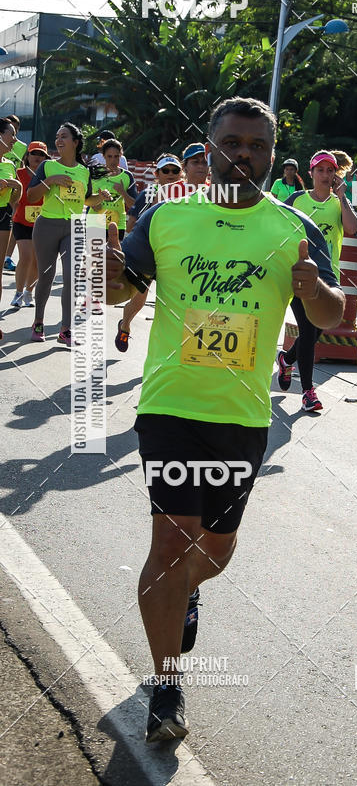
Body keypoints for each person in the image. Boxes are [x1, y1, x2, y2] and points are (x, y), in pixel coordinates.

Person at [105, 97, 344, 743]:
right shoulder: (165, 216)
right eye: (232, 142)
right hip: (171, 406)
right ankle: (166, 685)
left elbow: (331, 316)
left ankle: (187, 590)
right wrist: (106, 270)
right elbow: (118, 289)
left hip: (242, 416)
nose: (244, 154)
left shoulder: (293, 226)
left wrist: (314, 290)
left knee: (213, 552)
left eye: (257, 145)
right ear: (208, 149)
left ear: (271, 154)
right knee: (169, 542)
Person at [277, 150, 357, 412]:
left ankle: (287, 358)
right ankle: (308, 392)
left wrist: (342, 196)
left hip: (327, 277)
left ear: (336, 175)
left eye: (330, 171)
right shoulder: (296, 200)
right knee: (308, 327)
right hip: (299, 273)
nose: (325, 175)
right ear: (311, 173)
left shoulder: (339, 203)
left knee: (320, 327)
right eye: (320, 170)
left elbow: (352, 228)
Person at [27, 122, 108, 346]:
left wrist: (100, 197)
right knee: (46, 276)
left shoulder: (84, 171)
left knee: (72, 277)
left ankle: (66, 330)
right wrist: (50, 181)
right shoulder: (47, 166)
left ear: (75, 142)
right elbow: (31, 196)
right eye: (57, 136)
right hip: (46, 227)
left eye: (64, 136)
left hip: (73, 226)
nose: (59, 140)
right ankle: (39, 321)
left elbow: (87, 200)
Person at [115, 154, 187, 353]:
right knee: (139, 299)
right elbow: (130, 224)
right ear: (157, 174)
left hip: (175, 256)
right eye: (166, 171)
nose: (171, 175)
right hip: (147, 253)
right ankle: (125, 325)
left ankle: (162, 352)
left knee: (172, 305)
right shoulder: (149, 193)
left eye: (175, 171)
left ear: (181, 173)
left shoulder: (189, 196)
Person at [9, 141, 49, 308]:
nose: (37, 157)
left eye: (41, 155)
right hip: (21, 221)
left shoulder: (48, 176)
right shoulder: (18, 173)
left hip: (41, 223)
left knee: (36, 261)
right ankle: (18, 293)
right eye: (34, 153)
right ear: (27, 156)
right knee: (25, 256)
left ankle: (28, 292)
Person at [89, 138, 136, 241]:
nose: (113, 160)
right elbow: (84, 197)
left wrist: (122, 192)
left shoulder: (127, 176)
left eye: (116, 156)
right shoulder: (94, 173)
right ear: (103, 156)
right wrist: (94, 203)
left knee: (114, 256)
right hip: (95, 222)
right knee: (95, 257)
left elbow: (134, 205)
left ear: (121, 156)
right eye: (109, 156)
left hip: (118, 224)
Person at [0, 118, 22, 328]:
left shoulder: (9, 165)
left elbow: (15, 200)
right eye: (12, 134)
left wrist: (16, 185)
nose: (15, 139)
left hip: (4, 216)